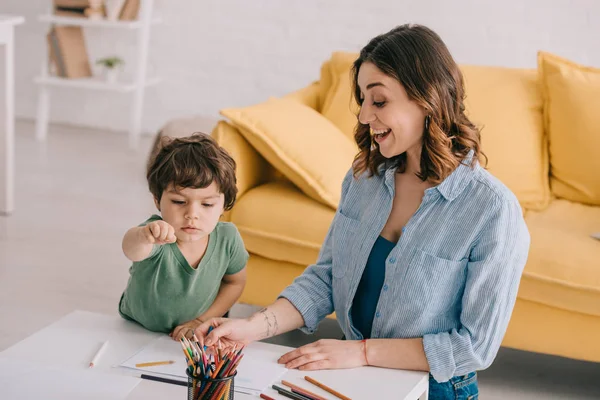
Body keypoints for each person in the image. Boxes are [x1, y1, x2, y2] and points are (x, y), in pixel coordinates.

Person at [195, 24, 530, 399]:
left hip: (432, 388)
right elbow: (327, 276)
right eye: (363, 101)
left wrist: (361, 353)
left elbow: (474, 346)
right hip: (352, 372)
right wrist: (255, 326)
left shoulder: (492, 211)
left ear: (427, 99)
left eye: (379, 101)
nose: (365, 116)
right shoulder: (365, 178)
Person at [119, 133, 248, 341]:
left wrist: (201, 321)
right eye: (179, 201)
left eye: (207, 204)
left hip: (189, 338)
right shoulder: (156, 232)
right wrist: (144, 235)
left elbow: (235, 283)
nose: (192, 214)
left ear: (223, 205)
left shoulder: (228, 239)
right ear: (157, 200)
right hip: (135, 329)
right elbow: (131, 249)